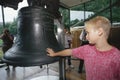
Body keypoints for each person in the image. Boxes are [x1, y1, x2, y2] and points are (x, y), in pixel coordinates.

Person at [46, 16, 120, 80]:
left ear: (99, 32)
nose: (86, 36)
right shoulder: (86, 49)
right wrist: (55, 54)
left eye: (88, 32)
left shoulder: (116, 56)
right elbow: (69, 51)